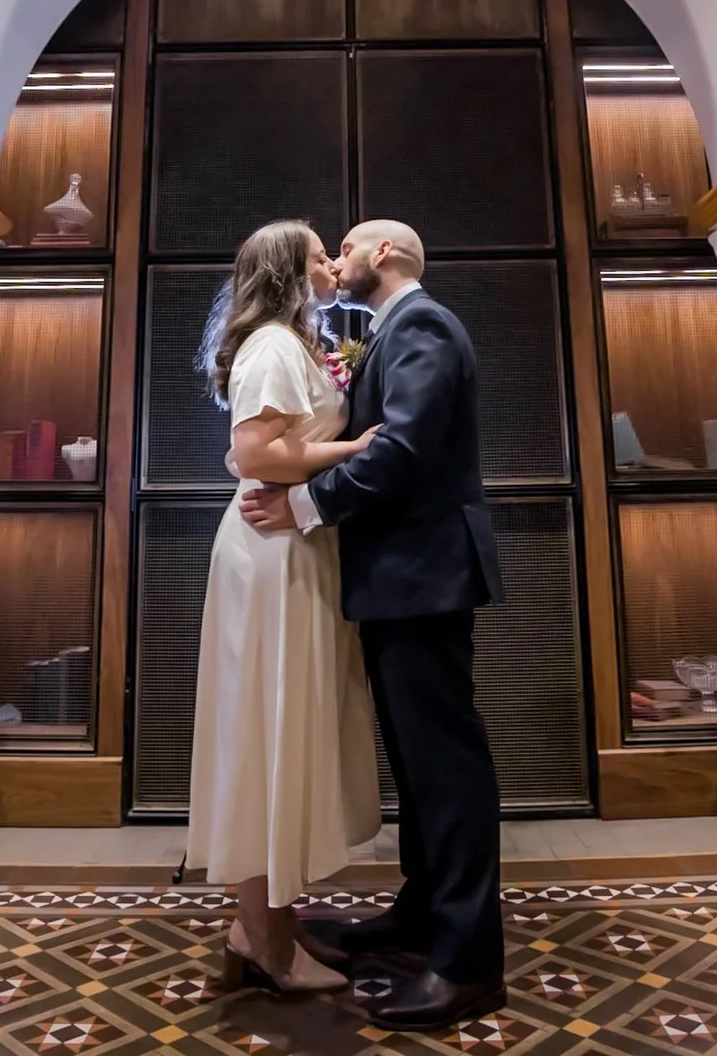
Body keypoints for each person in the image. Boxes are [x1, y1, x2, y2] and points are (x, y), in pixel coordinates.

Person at [239, 218, 509, 1031]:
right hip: (400, 579)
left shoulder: (421, 322)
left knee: (447, 766)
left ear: (381, 253)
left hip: (424, 576)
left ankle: (468, 964)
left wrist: (304, 504)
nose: (338, 260)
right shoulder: (390, 330)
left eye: (345, 247)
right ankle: (421, 915)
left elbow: (402, 449)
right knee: (422, 764)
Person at [187, 219, 383, 992]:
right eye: (318, 257)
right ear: (288, 274)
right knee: (265, 728)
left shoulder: (291, 341)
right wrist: (353, 447)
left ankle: (268, 923)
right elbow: (257, 450)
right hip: (268, 556)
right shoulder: (271, 345)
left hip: (292, 548)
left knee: (283, 725)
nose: (334, 263)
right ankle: (265, 943)